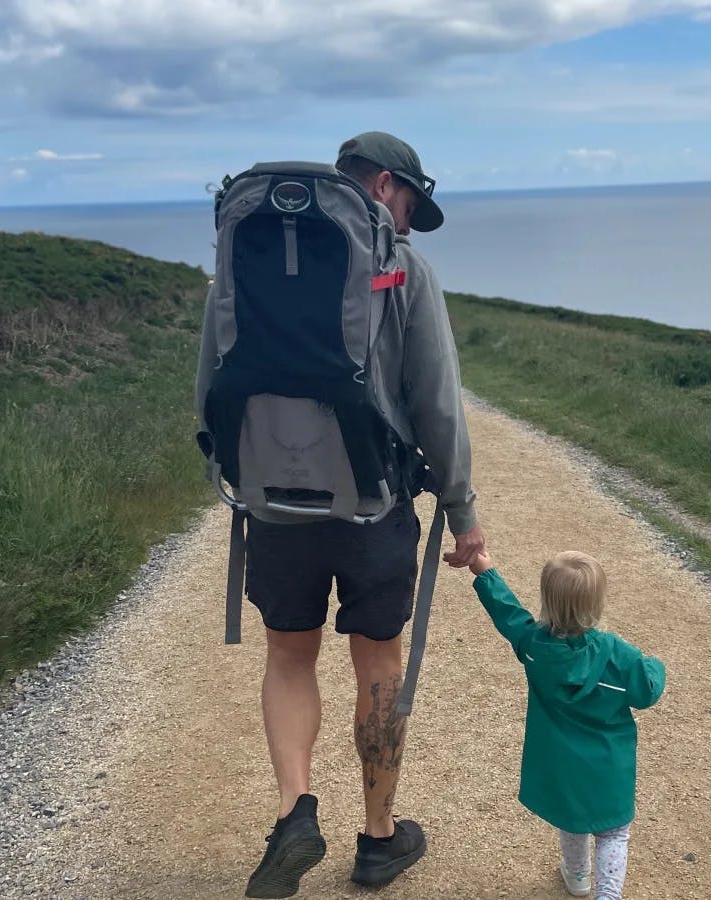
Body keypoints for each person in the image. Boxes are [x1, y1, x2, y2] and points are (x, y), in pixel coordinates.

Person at [219, 132, 486, 898]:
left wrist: (234, 474)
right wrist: (463, 510)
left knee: (289, 658)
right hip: (374, 505)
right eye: (407, 202)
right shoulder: (404, 267)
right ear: (380, 185)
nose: (406, 220)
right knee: (378, 666)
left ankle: (295, 810)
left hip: (275, 505)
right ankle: (378, 841)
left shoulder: (245, 256)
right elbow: (438, 403)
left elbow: (213, 369)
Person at [467, 549, 666, 900]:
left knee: (572, 822)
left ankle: (577, 877)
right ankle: (608, 893)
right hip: (608, 764)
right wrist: (657, 666)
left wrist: (484, 572)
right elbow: (647, 692)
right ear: (597, 602)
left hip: (561, 764)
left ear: (547, 601)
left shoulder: (534, 647)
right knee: (614, 833)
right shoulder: (618, 655)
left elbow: (508, 614)